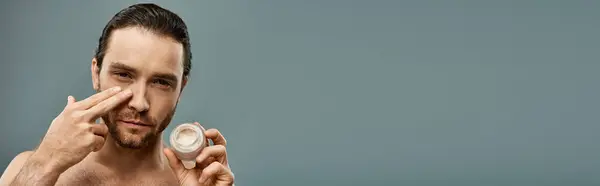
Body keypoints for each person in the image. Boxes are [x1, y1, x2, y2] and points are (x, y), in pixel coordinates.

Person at [0, 3, 234, 186]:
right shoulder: (30, 169)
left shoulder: (197, 182)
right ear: (96, 73)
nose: (140, 103)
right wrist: (44, 165)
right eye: (123, 75)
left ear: (180, 89)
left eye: (161, 82)